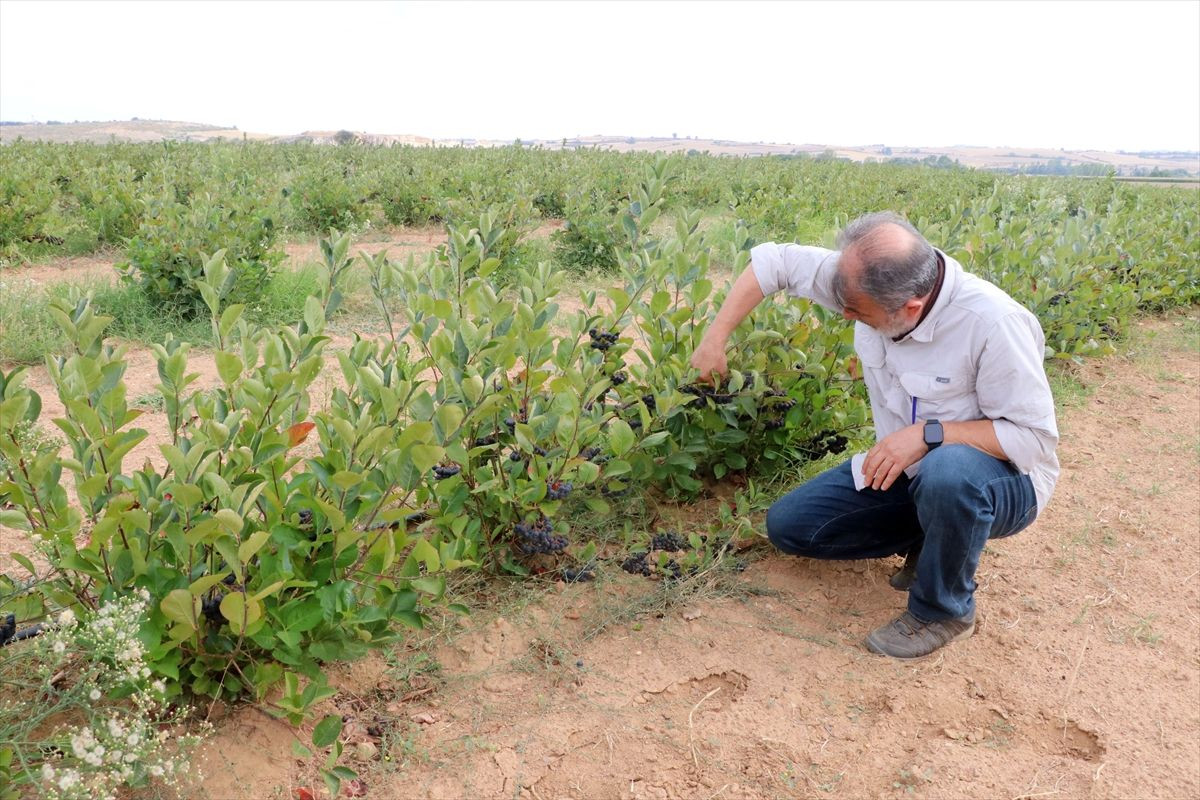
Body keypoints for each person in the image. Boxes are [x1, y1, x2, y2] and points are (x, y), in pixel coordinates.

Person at [689, 212, 1059, 659]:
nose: (844, 314)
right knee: (792, 527)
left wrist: (930, 434)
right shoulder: (862, 281)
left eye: (857, 313)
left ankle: (943, 610)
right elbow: (774, 263)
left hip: (1001, 482)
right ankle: (933, 536)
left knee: (949, 470)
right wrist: (715, 337)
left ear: (910, 309)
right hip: (907, 467)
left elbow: (1034, 440)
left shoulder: (994, 324)